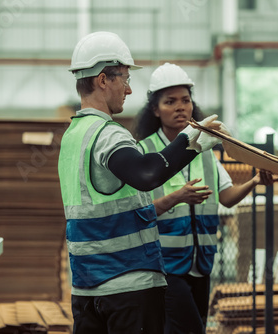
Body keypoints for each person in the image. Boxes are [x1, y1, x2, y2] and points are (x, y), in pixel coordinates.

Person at [58, 32, 225, 334]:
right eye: (123, 78)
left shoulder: (73, 137)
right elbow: (147, 174)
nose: (129, 89)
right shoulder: (107, 133)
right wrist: (193, 140)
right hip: (127, 285)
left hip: (87, 286)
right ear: (102, 80)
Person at [134, 63, 278, 334]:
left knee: (191, 326)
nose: (180, 107)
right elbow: (136, 213)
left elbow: (226, 198)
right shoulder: (144, 154)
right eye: (170, 101)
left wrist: (255, 181)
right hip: (162, 266)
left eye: (185, 100)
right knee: (190, 329)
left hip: (200, 262)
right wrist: (177, 197)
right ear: (155, 110)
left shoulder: (203, 150)